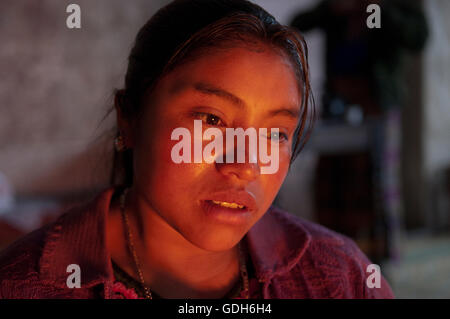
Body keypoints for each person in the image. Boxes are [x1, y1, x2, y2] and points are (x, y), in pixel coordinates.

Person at [0, 0, 394, 299]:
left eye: (276, 133)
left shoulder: (339, 276)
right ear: (130, 118)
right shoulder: (26, 283)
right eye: (211, 120)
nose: (245, 166)